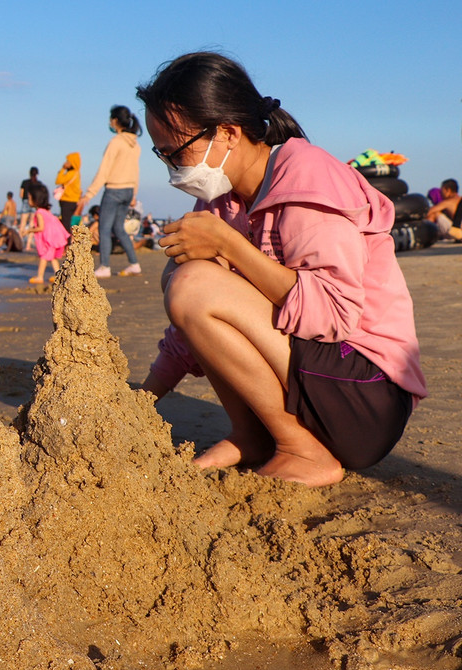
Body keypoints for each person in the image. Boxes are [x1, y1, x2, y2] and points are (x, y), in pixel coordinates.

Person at [136, 51, 426, 486]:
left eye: (176, 151)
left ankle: (301, 450)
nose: (174, 168)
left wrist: (230, 246)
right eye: (162, 155)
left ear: (228, 132)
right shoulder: (224, 199)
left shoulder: (307, 176)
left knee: (194, 281)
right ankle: (251, 435)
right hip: (319, 381)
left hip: (367, 395)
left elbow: (335, 314)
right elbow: (193, 321)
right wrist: (142, 400)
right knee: (185, 274)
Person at [78, 105, 144, 277]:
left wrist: (89, 194)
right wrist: (134, 193)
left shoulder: (116, 142)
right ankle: (134, 264)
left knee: (104, 228)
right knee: (119, 228)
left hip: (114, 189)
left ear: (115, 121)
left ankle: (104, 267)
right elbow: (136, 170)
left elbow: (104, 170)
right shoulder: (135, 145)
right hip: (129, 190)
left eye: (110, 119)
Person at [23, 182, 69, 284]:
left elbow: (41, 227)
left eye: (30, 198)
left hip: (49, 239)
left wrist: (29, 230)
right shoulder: (46, 211)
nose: (28, 200)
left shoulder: (39, 212)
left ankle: (40, 276)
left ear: (36, 200)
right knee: (52, 258)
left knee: (44, 257)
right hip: (54, 237)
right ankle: (59, 275)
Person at [54, 152, 81, 230]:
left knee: (65, 224)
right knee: (69, 223)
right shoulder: (77, 173)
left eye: (68, 161)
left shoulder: (71, 173)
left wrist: (63, 169)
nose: (65, 163)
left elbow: (58, 180)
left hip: (67, 200)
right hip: (74, 200)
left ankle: (66, 241)